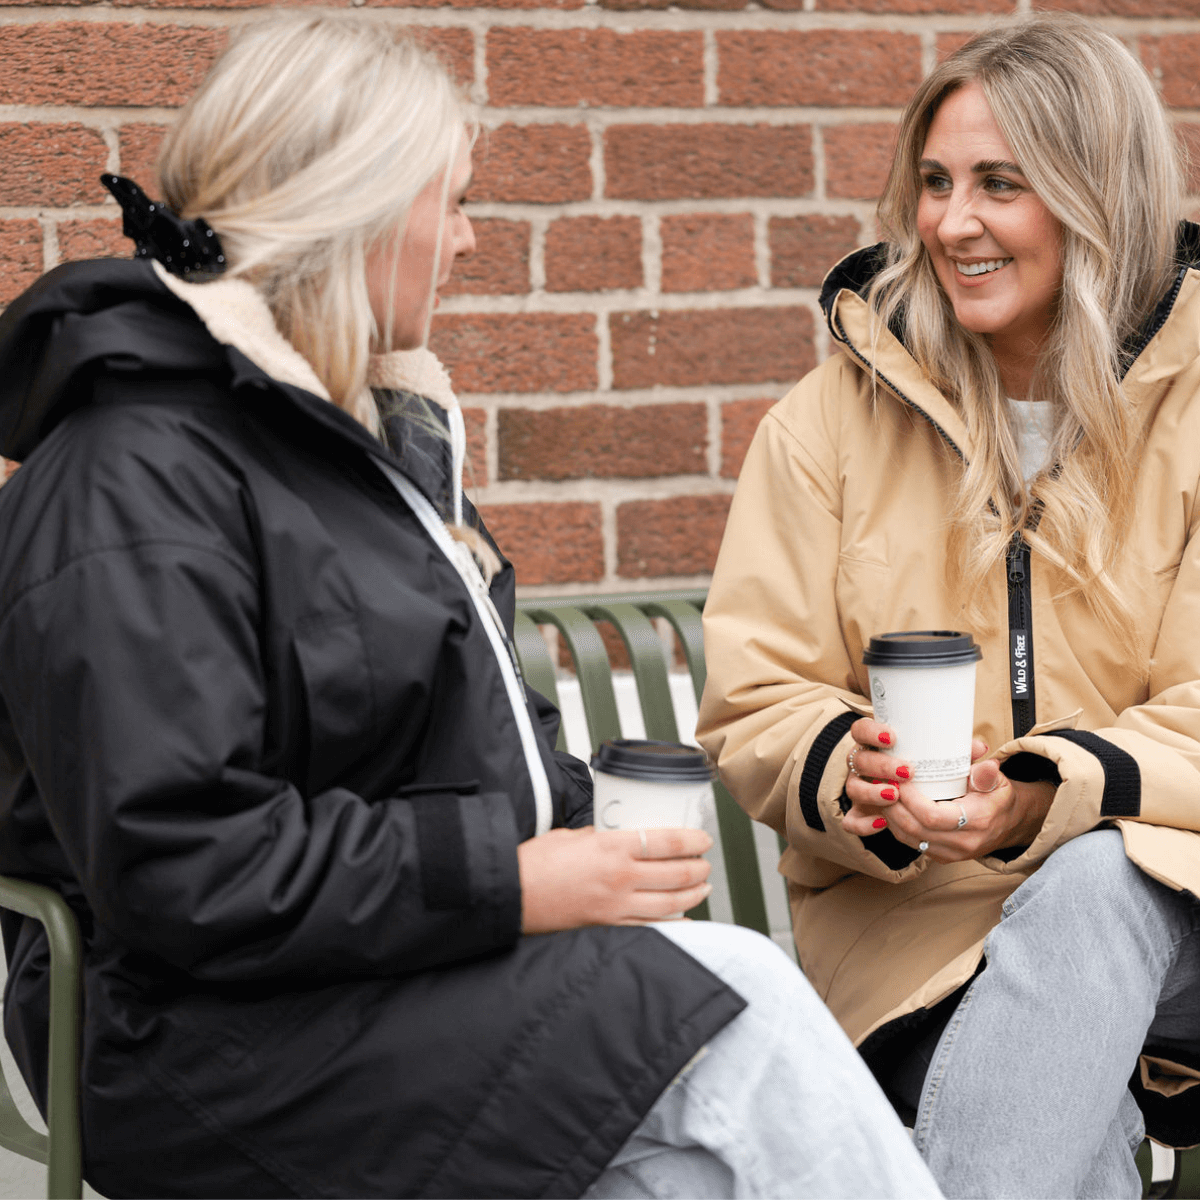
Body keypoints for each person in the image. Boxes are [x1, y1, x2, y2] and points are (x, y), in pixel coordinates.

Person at [0, 12, 942, 1199]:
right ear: (355, 212)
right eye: (450, 202)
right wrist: (523, 880)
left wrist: (582, 835)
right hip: (190, 1040)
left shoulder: (360, 449)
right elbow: (182, 867)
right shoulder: (130, 479)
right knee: (729, 997)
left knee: (685, 1174)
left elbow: (460, 737)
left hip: (383, 977)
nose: (471, 240)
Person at [697, 14, 1200, 1200]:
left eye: (999, 185)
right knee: (1042, 1105)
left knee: (1094, 887)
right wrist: (851, 775)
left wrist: (1047, 791)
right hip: (919, 941)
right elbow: (758, 693)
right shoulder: (828, 421)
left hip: (1176, 905)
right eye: (932, 182)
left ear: (1094, 196)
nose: (950, 223)